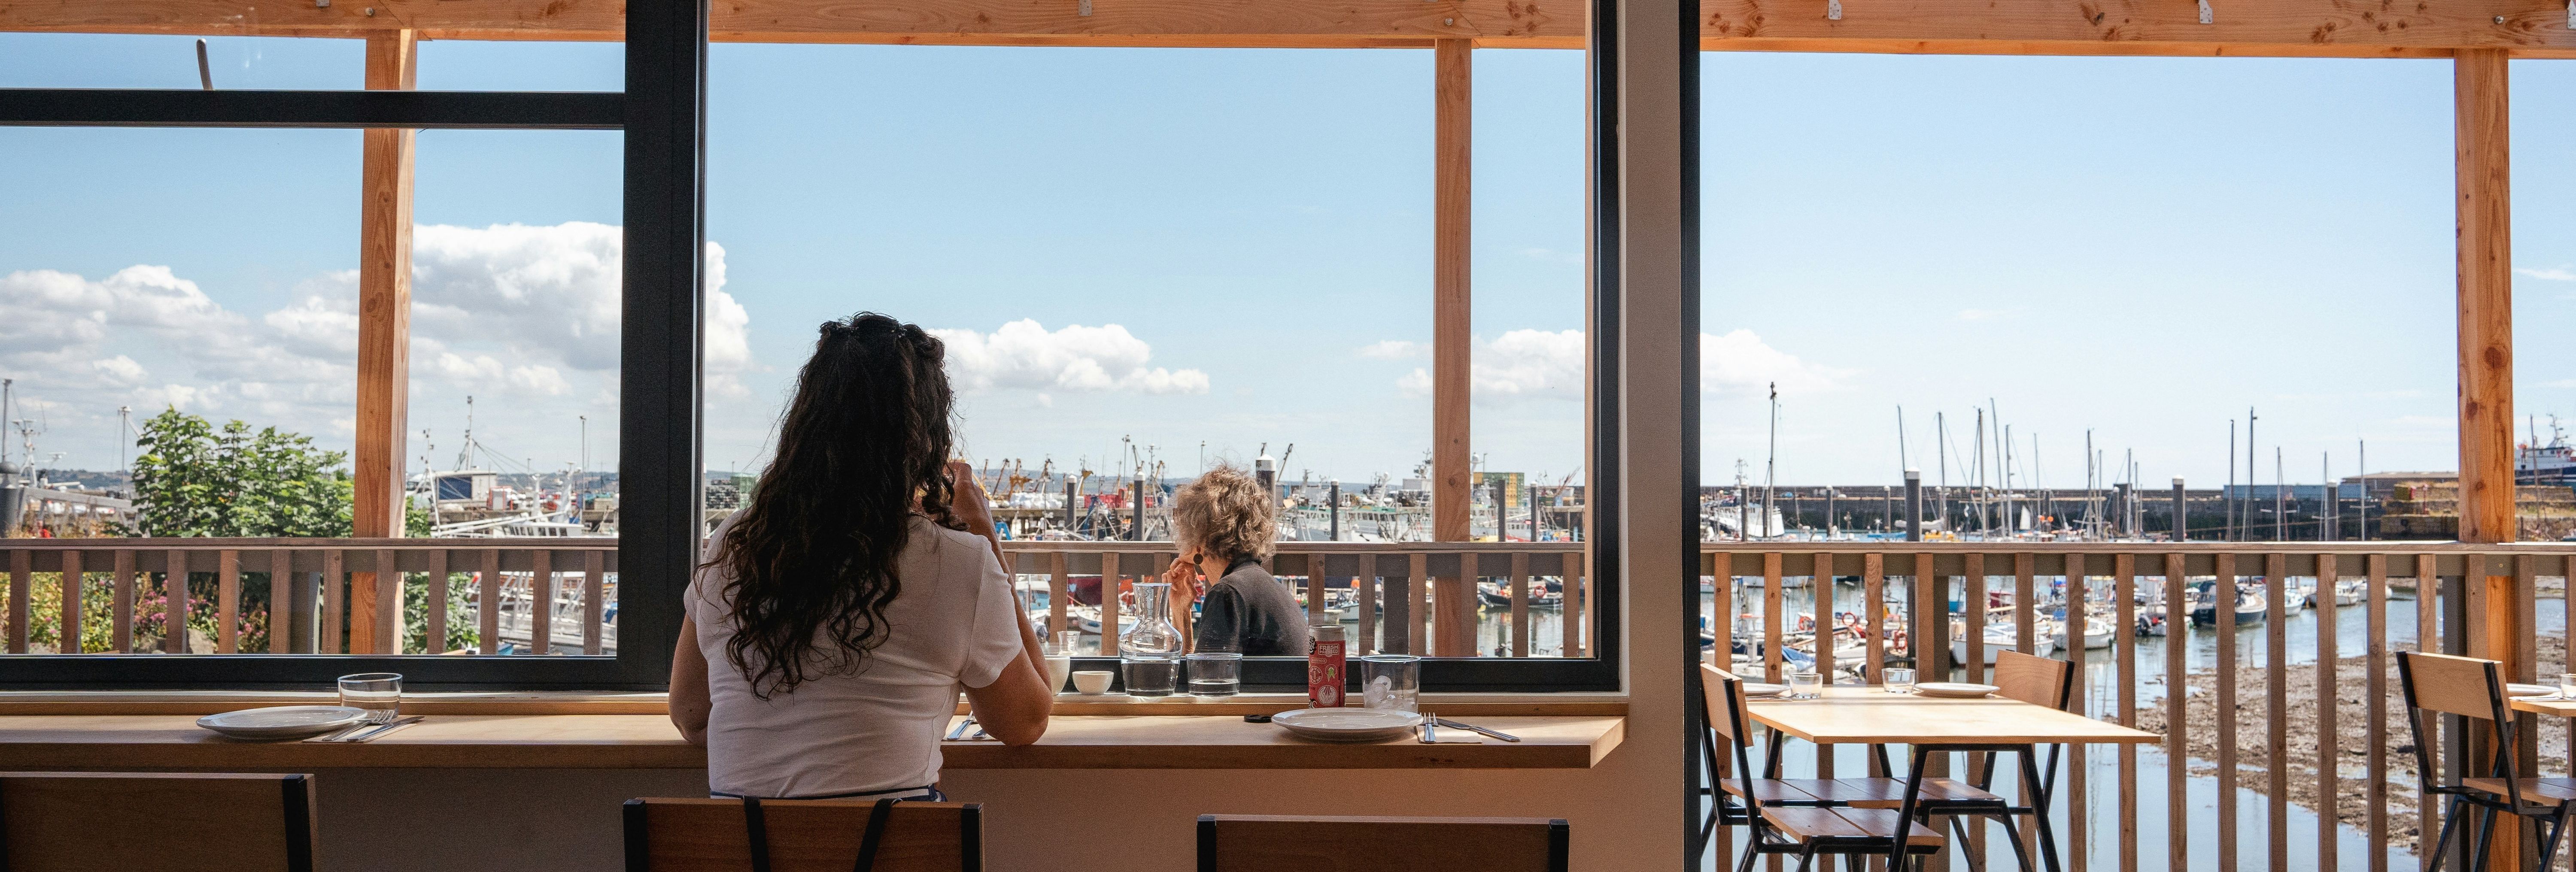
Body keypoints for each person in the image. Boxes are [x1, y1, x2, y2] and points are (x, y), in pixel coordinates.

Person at [668, 312, 1053, 802]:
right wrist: (984, 536)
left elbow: (692, 715)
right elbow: (1026, 721)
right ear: (925, 441)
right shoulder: (958, 562)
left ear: (803, 426)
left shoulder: (735, 543)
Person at [1160, 464, 1311, 656]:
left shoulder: (1229, 593)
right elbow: (1202, 674)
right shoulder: (1256, 585)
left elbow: (1204, 682)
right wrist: (1181, 613)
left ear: (1200, 542)